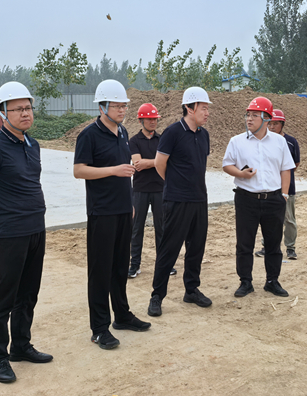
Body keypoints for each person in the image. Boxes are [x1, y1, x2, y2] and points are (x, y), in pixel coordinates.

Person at [0, 81, 53, 384]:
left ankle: (20, 346)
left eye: (28, 108)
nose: (25, 113)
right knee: (2, 298)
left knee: (27, 294)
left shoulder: (32, 144)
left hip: (35, 229)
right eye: (17, 109)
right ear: (2, 113)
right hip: (7, 234)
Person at [73, 80, 151, 350]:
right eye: (117, 106)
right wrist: (113, 170)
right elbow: (79, 170)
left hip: (123, 210)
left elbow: (125, 173)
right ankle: (99, 328)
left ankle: (122, 315)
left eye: (124, 106)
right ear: (102, 107)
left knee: (119, 267)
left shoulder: (123, 132)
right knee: (100, 271)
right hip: (102, 212)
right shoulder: (89, 135)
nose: (122, 110)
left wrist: (130, 202)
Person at [147, 86, 213, 317]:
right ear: (189, 108)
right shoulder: (172, 132)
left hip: (199, 199)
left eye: (207, 109)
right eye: (203, 108)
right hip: (177, 200)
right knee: (169, 248)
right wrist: (175, 184)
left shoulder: (204, 135)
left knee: (196, 248)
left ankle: (191, 290)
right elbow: (159, 163)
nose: (207, 113)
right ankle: (157, 295)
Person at [223, 97, 295, 298]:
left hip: (274, 199)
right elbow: (227, 164)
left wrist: (284, 195)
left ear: (267, 118)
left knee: (273, 243)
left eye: (255, 115)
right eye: (248, 115)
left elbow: (286, 169)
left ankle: (272, 281)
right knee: (244, 243)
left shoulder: (279, 142)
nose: (249, 119)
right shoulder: (236, 141)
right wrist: (241, 174)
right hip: (246, 199)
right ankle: (245, 282)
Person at [128, 103, 172, 279]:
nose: (153, 122)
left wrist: (150, 162)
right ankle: (134, 264)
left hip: (160, 188)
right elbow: (138, 164)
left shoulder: (162, 139)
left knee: (162, 228)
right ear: (141, 121)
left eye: (155, 119)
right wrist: (158, 161)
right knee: (137, 228)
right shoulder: (134, 141)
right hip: (140, 190)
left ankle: (164, 264)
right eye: (149, 119)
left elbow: (168, 162)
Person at [255, 108, 301, 259]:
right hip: (269, 188)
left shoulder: (291, 142)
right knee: (268, 219)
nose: (272, 126)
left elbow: (295, 163)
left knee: (289, 219)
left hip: (288, 188)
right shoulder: (262, 141)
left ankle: (290, 248)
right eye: (270, 123)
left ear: (282, 124)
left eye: (276, 123)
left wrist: (284, 175)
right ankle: (266, 246)